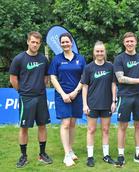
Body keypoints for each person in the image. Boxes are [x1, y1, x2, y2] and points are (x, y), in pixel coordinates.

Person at [9, 31, 53, 168]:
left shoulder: (43, 59)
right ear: (28, 42)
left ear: (40, 44)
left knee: (42, 125)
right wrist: (22, 91)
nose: (35, 44)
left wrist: (39, 87)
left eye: (37, 42)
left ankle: (42, 154)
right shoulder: (19, 59)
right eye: (32, 42)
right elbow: (13, 79)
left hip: (41, 96)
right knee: (24, 127)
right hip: (26, 98)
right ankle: (23, 156)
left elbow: (46, 77)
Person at [48, 32, 86, 166]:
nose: (65, 44)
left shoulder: (80, 59)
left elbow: (84, 77)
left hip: (76, 95)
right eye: (62, 42)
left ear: (71, 43)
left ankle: (70, 149)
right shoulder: (56, 59)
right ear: (60, 44)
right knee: (65, 123)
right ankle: (66, 155)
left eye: (67, 41)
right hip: (61, 96)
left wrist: (76, 92)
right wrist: (63, 94)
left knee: (73, 124)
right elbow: (53, 77)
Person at [113, 32, 139, 167]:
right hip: (124, 96)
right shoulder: (119, 59)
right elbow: (120, 78)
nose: (129, 43)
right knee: (122, 126)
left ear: (136, 42)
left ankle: (138, 154)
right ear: (124, 43)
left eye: (132, 41)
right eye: (127, 41)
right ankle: (121, 155)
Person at [81, 41, 117, 167]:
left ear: (105, 52)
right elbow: (84, 87)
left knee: (106, 130)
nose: (100, 53)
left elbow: (113, 84)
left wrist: (114, 101)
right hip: (92, 104)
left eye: (102, 51)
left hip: (107, 104)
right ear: (94, 53)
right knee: (91, 130)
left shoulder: (110, 67)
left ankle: (106, 155)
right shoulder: (88, 68)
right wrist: (85, 104)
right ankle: (90, 157)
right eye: (97, 51)